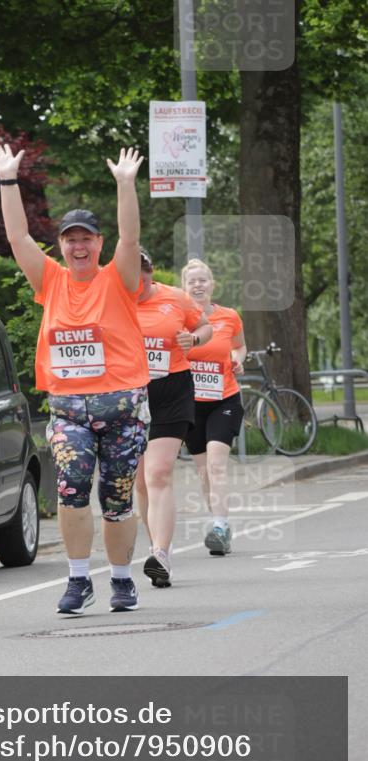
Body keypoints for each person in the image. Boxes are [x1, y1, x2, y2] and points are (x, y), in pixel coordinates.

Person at [0, 143, 150, 616]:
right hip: (69, 411)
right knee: (71, 487)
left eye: (86, 240)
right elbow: (18, 238)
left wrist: (125, 185)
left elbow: (130, 237)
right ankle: (79, 579)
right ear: (61, 246)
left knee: (116, 499)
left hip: (121, 410)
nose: (79, 247)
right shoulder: (51, 281)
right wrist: (8, 180)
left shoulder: (118, 278)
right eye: (70, 240)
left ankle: (121, 579)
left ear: (98, 244)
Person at [134, 250, 211, 587]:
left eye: (144, 275)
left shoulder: (175, 298)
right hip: (130, 393)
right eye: (131, 276)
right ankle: (155, 544)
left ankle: (161, 554)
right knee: (140, 482)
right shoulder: (111, 298)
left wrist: (192, 338)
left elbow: (205, 327)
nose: (138, 283)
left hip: (172, 391)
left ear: (151, 273)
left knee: (159, 472)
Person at [181, 258, 246, 557]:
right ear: (184, 287)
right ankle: (219, 523)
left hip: (224, 399)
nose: (197, 285)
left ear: (212, 285)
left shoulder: (229, 316)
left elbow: (239, 346)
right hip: (191, 404)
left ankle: (219, 527)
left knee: (216, 463)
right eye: (192, 281)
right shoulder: (180, 320)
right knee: (204, 470)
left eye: (202, 280)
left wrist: (237, 359)